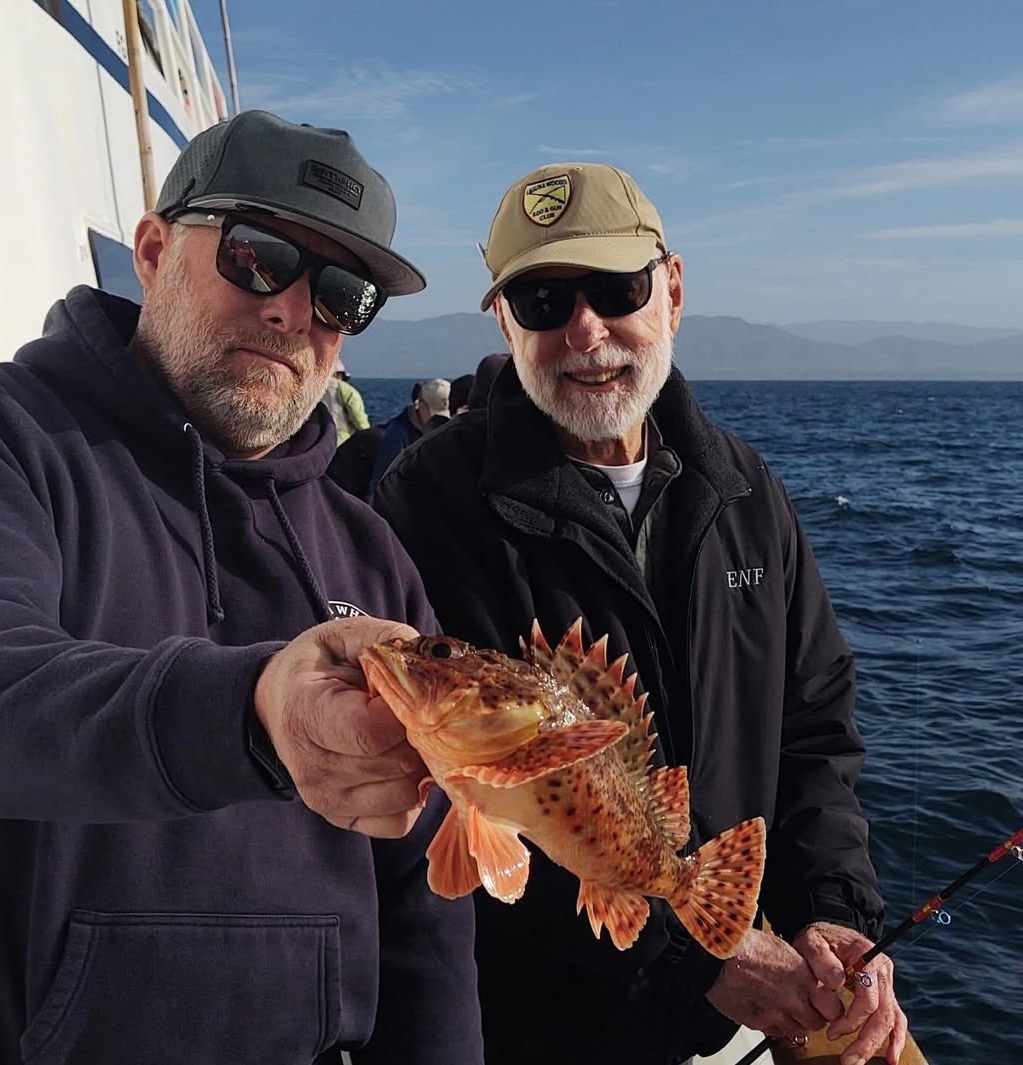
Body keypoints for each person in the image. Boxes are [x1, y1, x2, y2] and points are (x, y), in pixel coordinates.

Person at [0, 111, 483, 1065]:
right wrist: (251, 713)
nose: (292, 312)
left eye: (342, 294)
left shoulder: (371, 555)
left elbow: (425, 911)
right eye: (259, 255)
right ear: (153, 250)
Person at [374, 162, 907, 1065]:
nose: (585, 329)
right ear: (504, 320)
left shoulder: (745, 490)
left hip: (741, 982)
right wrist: (690, 953)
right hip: (543, 1028)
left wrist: (832, 913)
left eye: (617, 288)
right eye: (542, 299)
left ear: (673, 290)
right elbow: (422, 791)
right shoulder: (425, 505)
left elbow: (813, 727)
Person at [368, 376, 450, 493]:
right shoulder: (397, 436)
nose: (442, 423)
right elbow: (381, 485)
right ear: (421, 406)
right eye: (437, 416)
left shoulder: (447, 429)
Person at [322, 355, 370, 443]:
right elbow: (359, 420)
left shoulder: (313, 390)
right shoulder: (345, 389)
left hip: (317, 444)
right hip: (341, 443)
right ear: (337, 374)